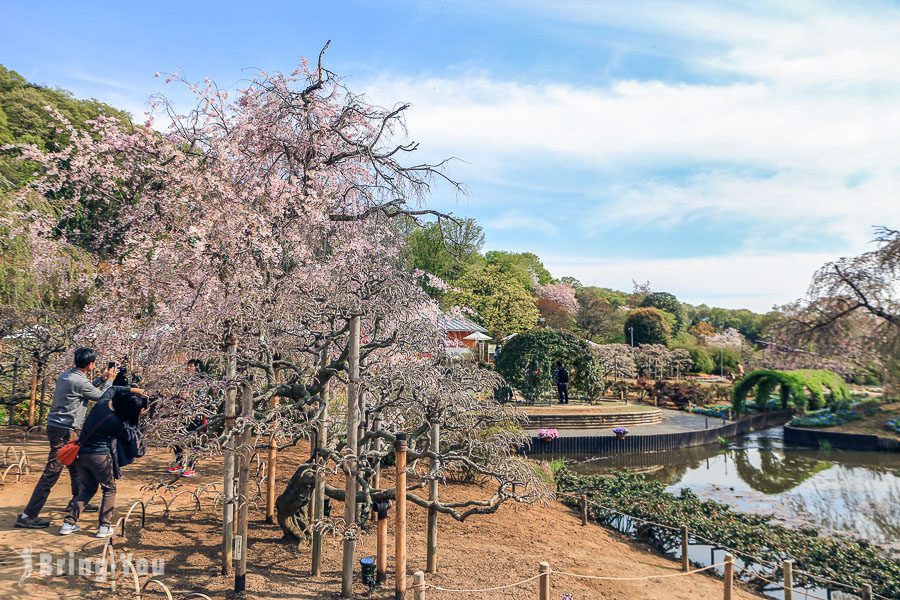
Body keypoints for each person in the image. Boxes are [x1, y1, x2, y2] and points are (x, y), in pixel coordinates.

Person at [16, 348, 139, 529]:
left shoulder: (67, 375)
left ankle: (77, 501)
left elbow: (84, 387)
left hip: (58, 427)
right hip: (65, 431)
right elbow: (102, 398)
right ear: (91, 364)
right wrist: (110, 381)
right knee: (52, 472)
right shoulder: (80, 382)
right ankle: (27, 515)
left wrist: (101, 379)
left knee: (75, 466)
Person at [60, 388, 146, 537]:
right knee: (109, 489)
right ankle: (104, 527)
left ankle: (68, 524)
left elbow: (111, 389)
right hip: (100, 457)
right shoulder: (117, 422)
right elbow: (131, 437)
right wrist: (137, 417)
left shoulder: (102, 403)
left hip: (82, 456)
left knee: (87, 489)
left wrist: (132, 389)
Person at [167, 358, 207, 478]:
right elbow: (177, 396)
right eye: (188, 366)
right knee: (176, 439)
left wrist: (190, 397)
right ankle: (179, 463)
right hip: (180, 414)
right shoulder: (183, 381)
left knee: (192, 441)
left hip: (194, 416)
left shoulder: (201, 382)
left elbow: (202, 399)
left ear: (197, 368)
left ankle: (191, 466)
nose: (189, 368)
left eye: (192, 366)